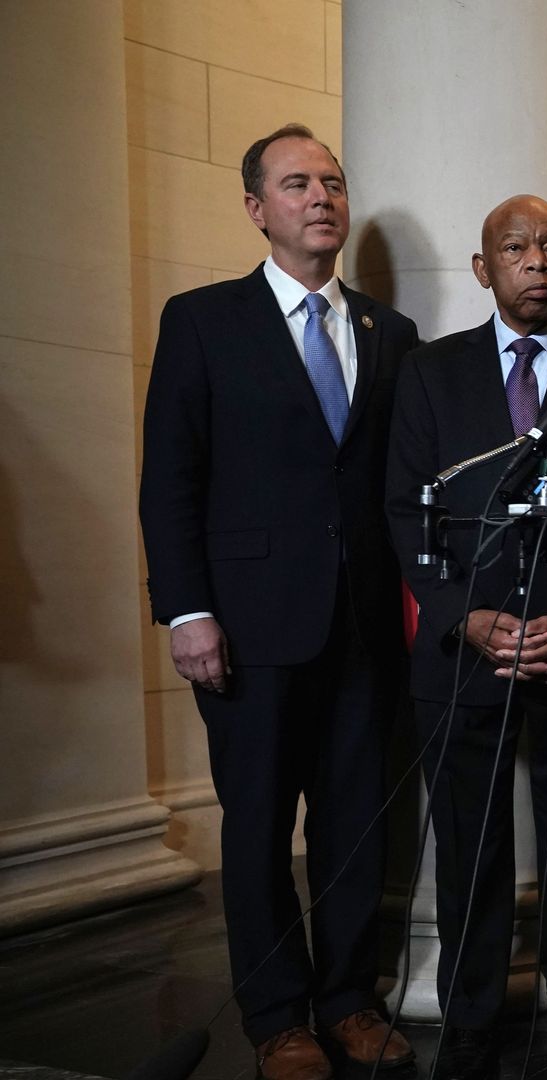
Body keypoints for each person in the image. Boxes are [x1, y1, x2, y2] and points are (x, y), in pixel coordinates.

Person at [138, 123, 418, 1080]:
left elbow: (393, 485)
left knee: (354, 825)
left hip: (366, 625)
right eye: (297, 183)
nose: (322, 197)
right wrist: (185, 611)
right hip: (248, 627)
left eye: (333, 182)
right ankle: (276, 1019)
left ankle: (347, 1002)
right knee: (257, 825)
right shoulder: (202, 320)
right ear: (257, 209)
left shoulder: (392, 333)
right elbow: (170, 480)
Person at [385, 195, 547, 1079]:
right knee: (471, 847)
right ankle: (472, 1024)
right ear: (484, 269)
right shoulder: (431, 373)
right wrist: (466, 617)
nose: (540, 260)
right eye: (518, 247)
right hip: (467, 649)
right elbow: (407, 513)